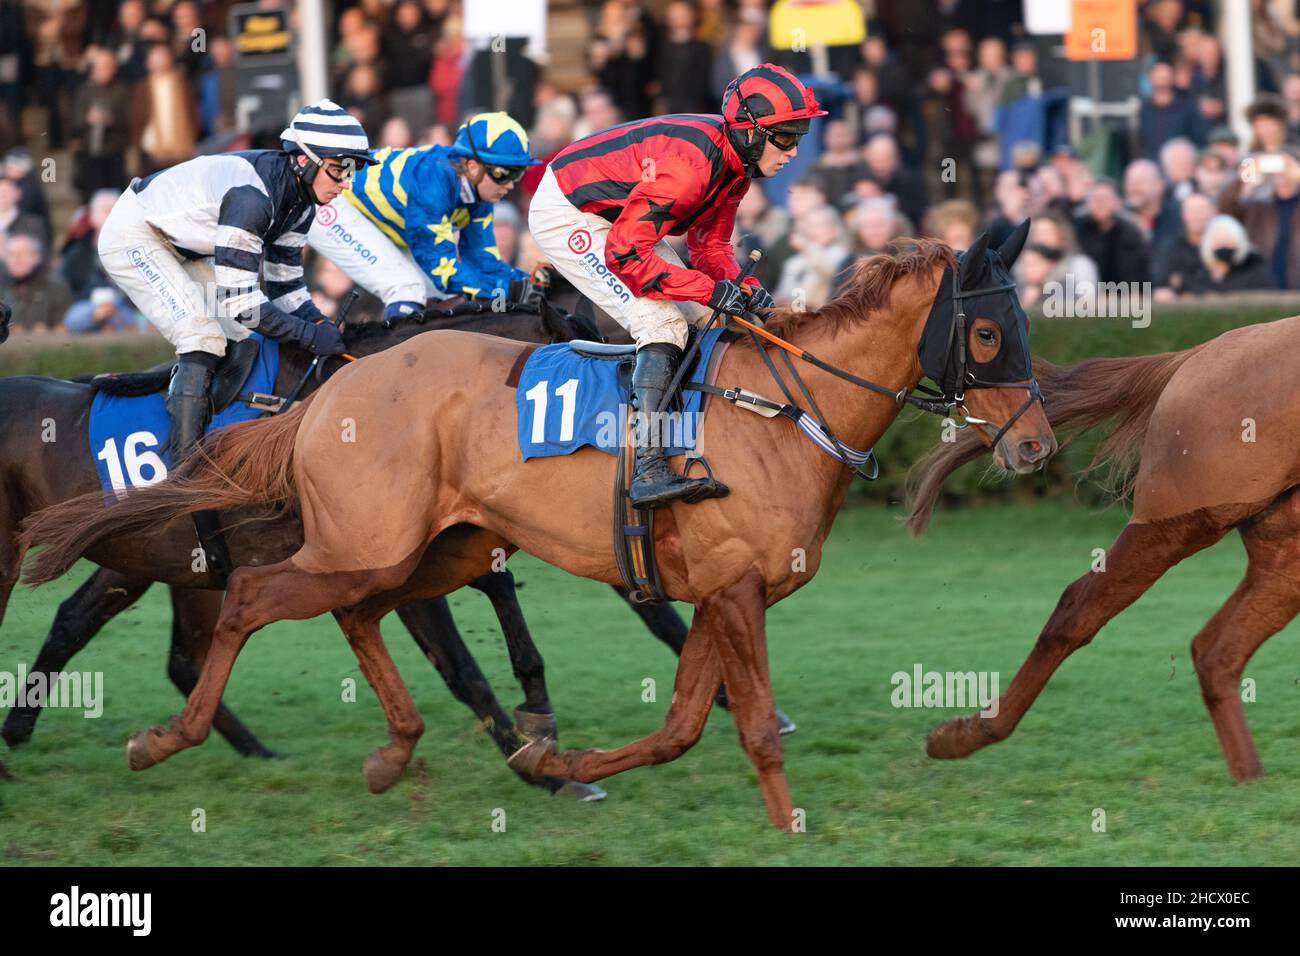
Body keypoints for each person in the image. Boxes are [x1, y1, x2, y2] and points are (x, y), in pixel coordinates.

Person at [529, 63, 826, 508]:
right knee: (663, 323)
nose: (793, 150)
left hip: (616, 217)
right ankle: (646, 469)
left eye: (799, 135)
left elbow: (710, 249)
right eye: (784, 136)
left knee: (711, 317)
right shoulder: (690, 169)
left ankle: (700, 441)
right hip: (569, 212)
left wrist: (740, 288)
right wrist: (709, 289)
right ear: (749, 132)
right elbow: (627, 256)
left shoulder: (736, 167)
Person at [96, 99, 374, 463]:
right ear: (304, 161)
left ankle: (209, 424)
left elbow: (284, 286)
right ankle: (184, 469)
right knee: (202, 337)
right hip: (134, 236)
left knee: (240, 341)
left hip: (182, 247)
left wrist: (316, 320)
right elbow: (244, 305)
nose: (346, 184)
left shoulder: (303, 202)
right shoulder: (253, 199)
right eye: (339, 170)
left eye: (351, 171)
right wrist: (309, 336)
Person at [309, 111, 540, 321]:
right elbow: (444, 271)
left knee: (443, 295)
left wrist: (528, 283)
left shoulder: (478, 195)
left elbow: (482, 261)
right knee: (407, 289)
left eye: (518, 174)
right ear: (472, 167)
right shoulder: (433, 186)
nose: (510, 185)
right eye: (503, 173)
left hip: (379, 224)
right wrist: (506, 289)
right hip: (332, 201)